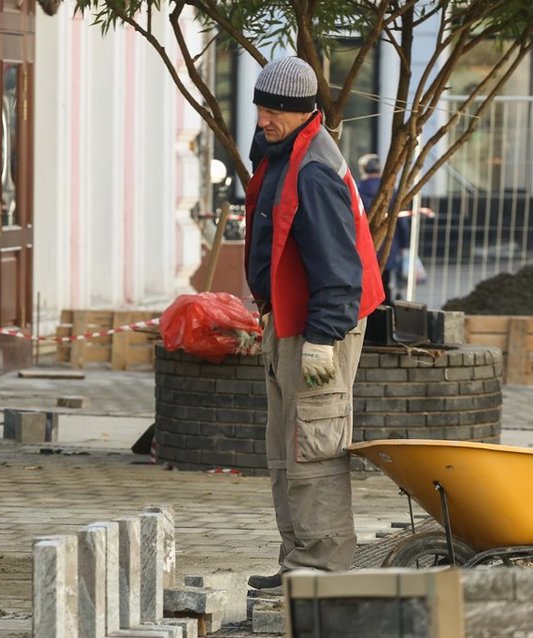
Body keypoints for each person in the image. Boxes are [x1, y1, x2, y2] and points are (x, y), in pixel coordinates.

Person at [243, 57, 385, 590]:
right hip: (290, 320)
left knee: (315, 444)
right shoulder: (284, 153)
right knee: (286, 447)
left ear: (303, 112)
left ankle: (322, 572)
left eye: (272, 109)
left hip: (321, 324)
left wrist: (323, 340)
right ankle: (297, 563)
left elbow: (339, 271)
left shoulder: (314, 169)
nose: (261, 119)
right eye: (260, 106)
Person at [356, 153, 409, 302]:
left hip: (365, 243)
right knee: (385, 283)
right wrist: (405, 243)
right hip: (389, 243)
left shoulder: (356, 189)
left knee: (366, 282)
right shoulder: (391, 189)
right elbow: (400, 220)